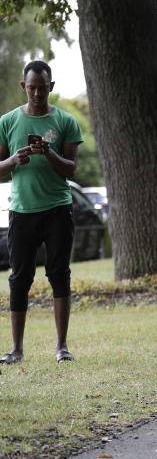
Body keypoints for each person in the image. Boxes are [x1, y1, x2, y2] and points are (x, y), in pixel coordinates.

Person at [0, 60, 83, 365]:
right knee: (20, 278)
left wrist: (49, 153)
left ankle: (61, 347)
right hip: (22, 210)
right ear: (24, 87)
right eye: (31, 87)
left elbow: (72, 169)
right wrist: (12, 161)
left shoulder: (65, 121)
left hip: (57, 209)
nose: (37, 92)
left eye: (42, 87)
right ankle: (16, 350)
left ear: (51, 86)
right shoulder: (7, 122)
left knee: (59, 274)